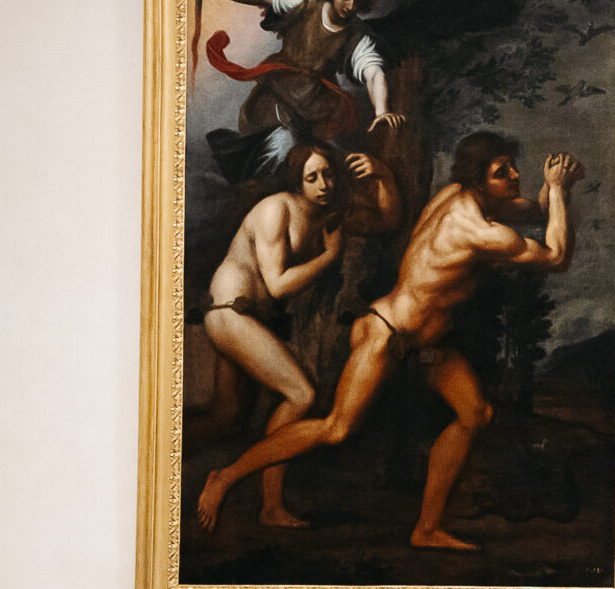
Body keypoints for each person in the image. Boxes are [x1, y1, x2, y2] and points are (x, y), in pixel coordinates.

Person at [193, 133, 578, 551]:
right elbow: (556, 255)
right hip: (387, 333)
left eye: (512, 168)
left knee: (475, 413)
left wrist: (553, 192)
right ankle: (226, 476)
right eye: (502, 172)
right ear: (478, 180)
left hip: (427, 340)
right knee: (337, 429)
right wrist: (557, 189)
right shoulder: (477, 230)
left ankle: (426, 530)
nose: (515, 176)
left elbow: (536, 210)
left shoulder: (458, 195)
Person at [197, 143, 403, 529]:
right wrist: (329, 257)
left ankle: (240, 495)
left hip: (247, 319)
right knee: (302, 394)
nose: (323, 184)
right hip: (229, 314)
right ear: (296, 180)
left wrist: (382, 175)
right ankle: (251, 493)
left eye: (328, 175)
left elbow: (388, 222)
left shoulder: (327, 215)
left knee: (224, 418)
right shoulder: (279, 209)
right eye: (312, 177)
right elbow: (276, 286)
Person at [190, 0, 406, 182]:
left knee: (316, 164)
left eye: (358, 2)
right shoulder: (303, 3)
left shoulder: (357, 36)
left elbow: (373, 72)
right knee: (280, 149)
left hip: (313, 111)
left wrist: (382, 111)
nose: (350, 6)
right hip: (275, 99)